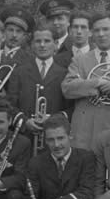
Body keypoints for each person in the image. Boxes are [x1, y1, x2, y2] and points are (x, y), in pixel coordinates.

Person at [61, 11, 110, 150]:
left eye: (105, 29)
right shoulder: (80, 60)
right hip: (82, 132)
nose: (101, 34)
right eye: (96, 30)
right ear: (91, 33)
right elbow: (67, 88)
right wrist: (96, 83)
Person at [6, 23, 73, 153]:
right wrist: (25, 122)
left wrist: (53, 120)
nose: (42, 45)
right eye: (38, 41)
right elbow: (9, 105)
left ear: (56, 44)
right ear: (31, 45)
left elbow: (71, 108)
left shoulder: (65, 73)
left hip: (55, 142)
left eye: (47, 41)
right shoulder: (19, 72)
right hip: (24, 139)